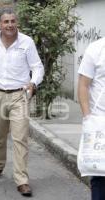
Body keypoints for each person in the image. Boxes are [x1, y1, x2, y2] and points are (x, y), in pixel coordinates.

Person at [0, 8, 44, 197]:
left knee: (20, 138)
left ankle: (21, 180)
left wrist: (33, 82)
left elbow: (37, 67)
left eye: (13, 21)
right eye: (6, 22)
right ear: (0, 24)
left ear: (17, 23)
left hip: (19, 95)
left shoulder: (26, 42)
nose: (10, 25)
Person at [78, 37, 105, 200]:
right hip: (99, 122)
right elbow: (83, 84)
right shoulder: (96, 49)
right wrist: (88, 117)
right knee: (101, 175)